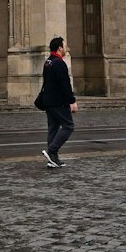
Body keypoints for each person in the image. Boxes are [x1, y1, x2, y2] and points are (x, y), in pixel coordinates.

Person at [36, 35, 77, 168]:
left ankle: (52, 160)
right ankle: (51, 151)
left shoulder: (48, 61)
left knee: (53, 129)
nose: (66, 48)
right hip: (58, 101)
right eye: (64, 46)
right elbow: (64, 84)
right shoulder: (59, 63)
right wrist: (72, 101)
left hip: (49, 101)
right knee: (68, 126)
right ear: (60, 48)